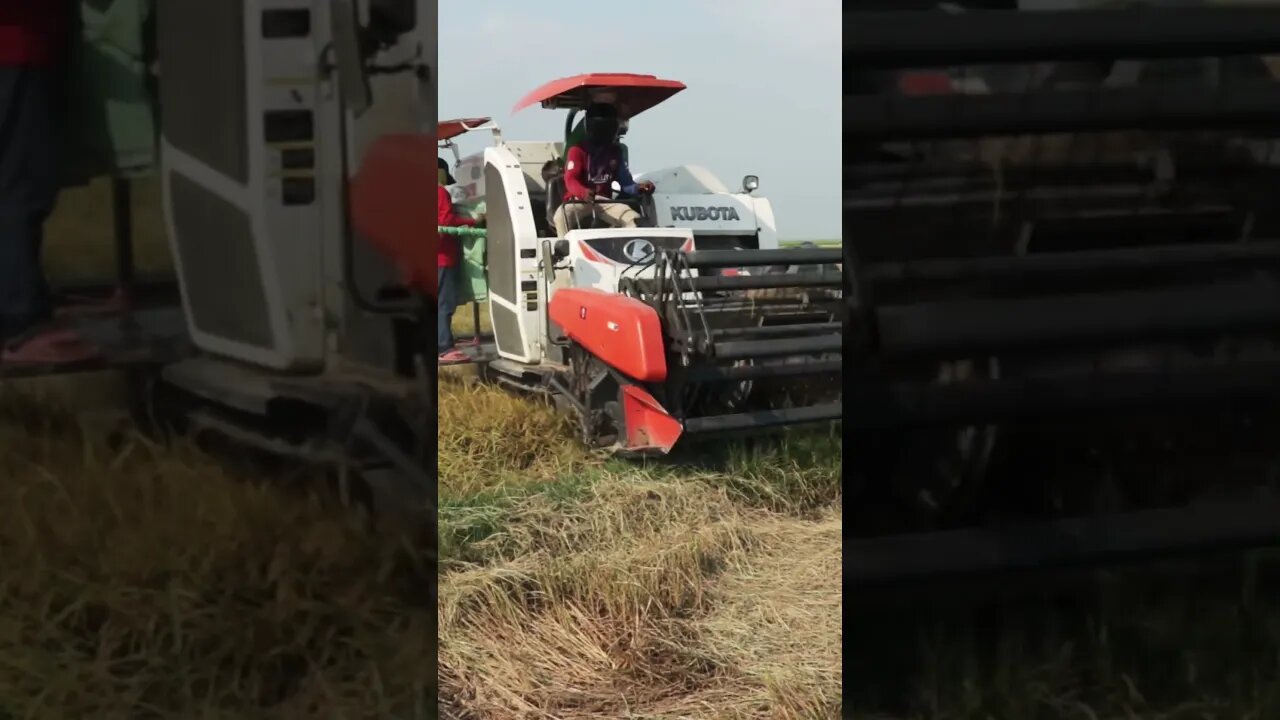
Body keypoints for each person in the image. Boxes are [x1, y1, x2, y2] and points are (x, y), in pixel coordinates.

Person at [0, 1, 101, 366]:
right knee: (18, 186)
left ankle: (25, 308)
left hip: (26, 44)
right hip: (14, 46)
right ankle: (19, 323)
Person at [553, 102, 655, 237]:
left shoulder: (615, 152)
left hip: (604, 201)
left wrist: (639, 188)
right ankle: (565, 251)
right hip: (579, 200)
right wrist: (583, 192)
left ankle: (630, 252)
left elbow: (626, 184)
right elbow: (570, 179)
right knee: (560, 217)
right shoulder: (577, 151)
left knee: (634, 219)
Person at [437, 156, 481, 365]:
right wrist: (474, 221)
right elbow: (446, 221)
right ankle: (444, 347)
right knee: (444, 303)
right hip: (442, 257)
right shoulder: (439, 192)